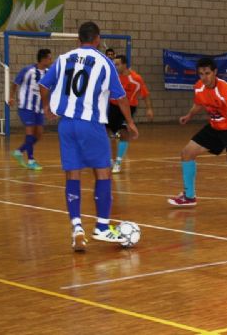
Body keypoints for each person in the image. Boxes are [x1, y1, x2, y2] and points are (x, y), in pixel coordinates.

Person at [39, 21, 139, 251]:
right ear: (97, 40)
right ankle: (102, 227)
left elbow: (44, 85)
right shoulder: (105, 63)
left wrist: (47, 107)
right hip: (91, 124)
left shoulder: (63, 59)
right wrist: (130, 122)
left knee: (72, 173)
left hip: (66, 125)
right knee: (103, 172)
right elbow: (121, 98)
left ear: (78, 40)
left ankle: (77, 227)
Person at [168, 57, 227, 215]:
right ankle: (189, 197)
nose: (204, 77)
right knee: (187, 153)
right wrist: (189, 115)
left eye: (207, 73)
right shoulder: (199, 87)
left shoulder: (225, 90)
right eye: (201, 74)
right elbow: (199, 103)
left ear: (215, 72)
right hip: (215, 126)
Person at [107, 54, 153, 173]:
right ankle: (110, 159)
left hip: (128, 107)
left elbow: (145, 94)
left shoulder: (136, 79)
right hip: (113, 106)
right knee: (107, 132)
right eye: (114, 64)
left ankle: (118, 161)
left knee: (123, 133)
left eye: (117, 64)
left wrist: (149, 108)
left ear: (124, 65)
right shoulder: (114, 77)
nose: (115, 66)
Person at [9, 48, 53, 170]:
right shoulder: (28, 70)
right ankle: (31, 160)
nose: (51, 60)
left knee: (39, 134)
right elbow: (15, 83)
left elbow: (50, 89)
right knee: (30, 132)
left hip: (39, 108)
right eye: (49, 57)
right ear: (43, 59)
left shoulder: (49, 73)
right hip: (26, 106)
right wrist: (11, 97)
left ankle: (19, 151)